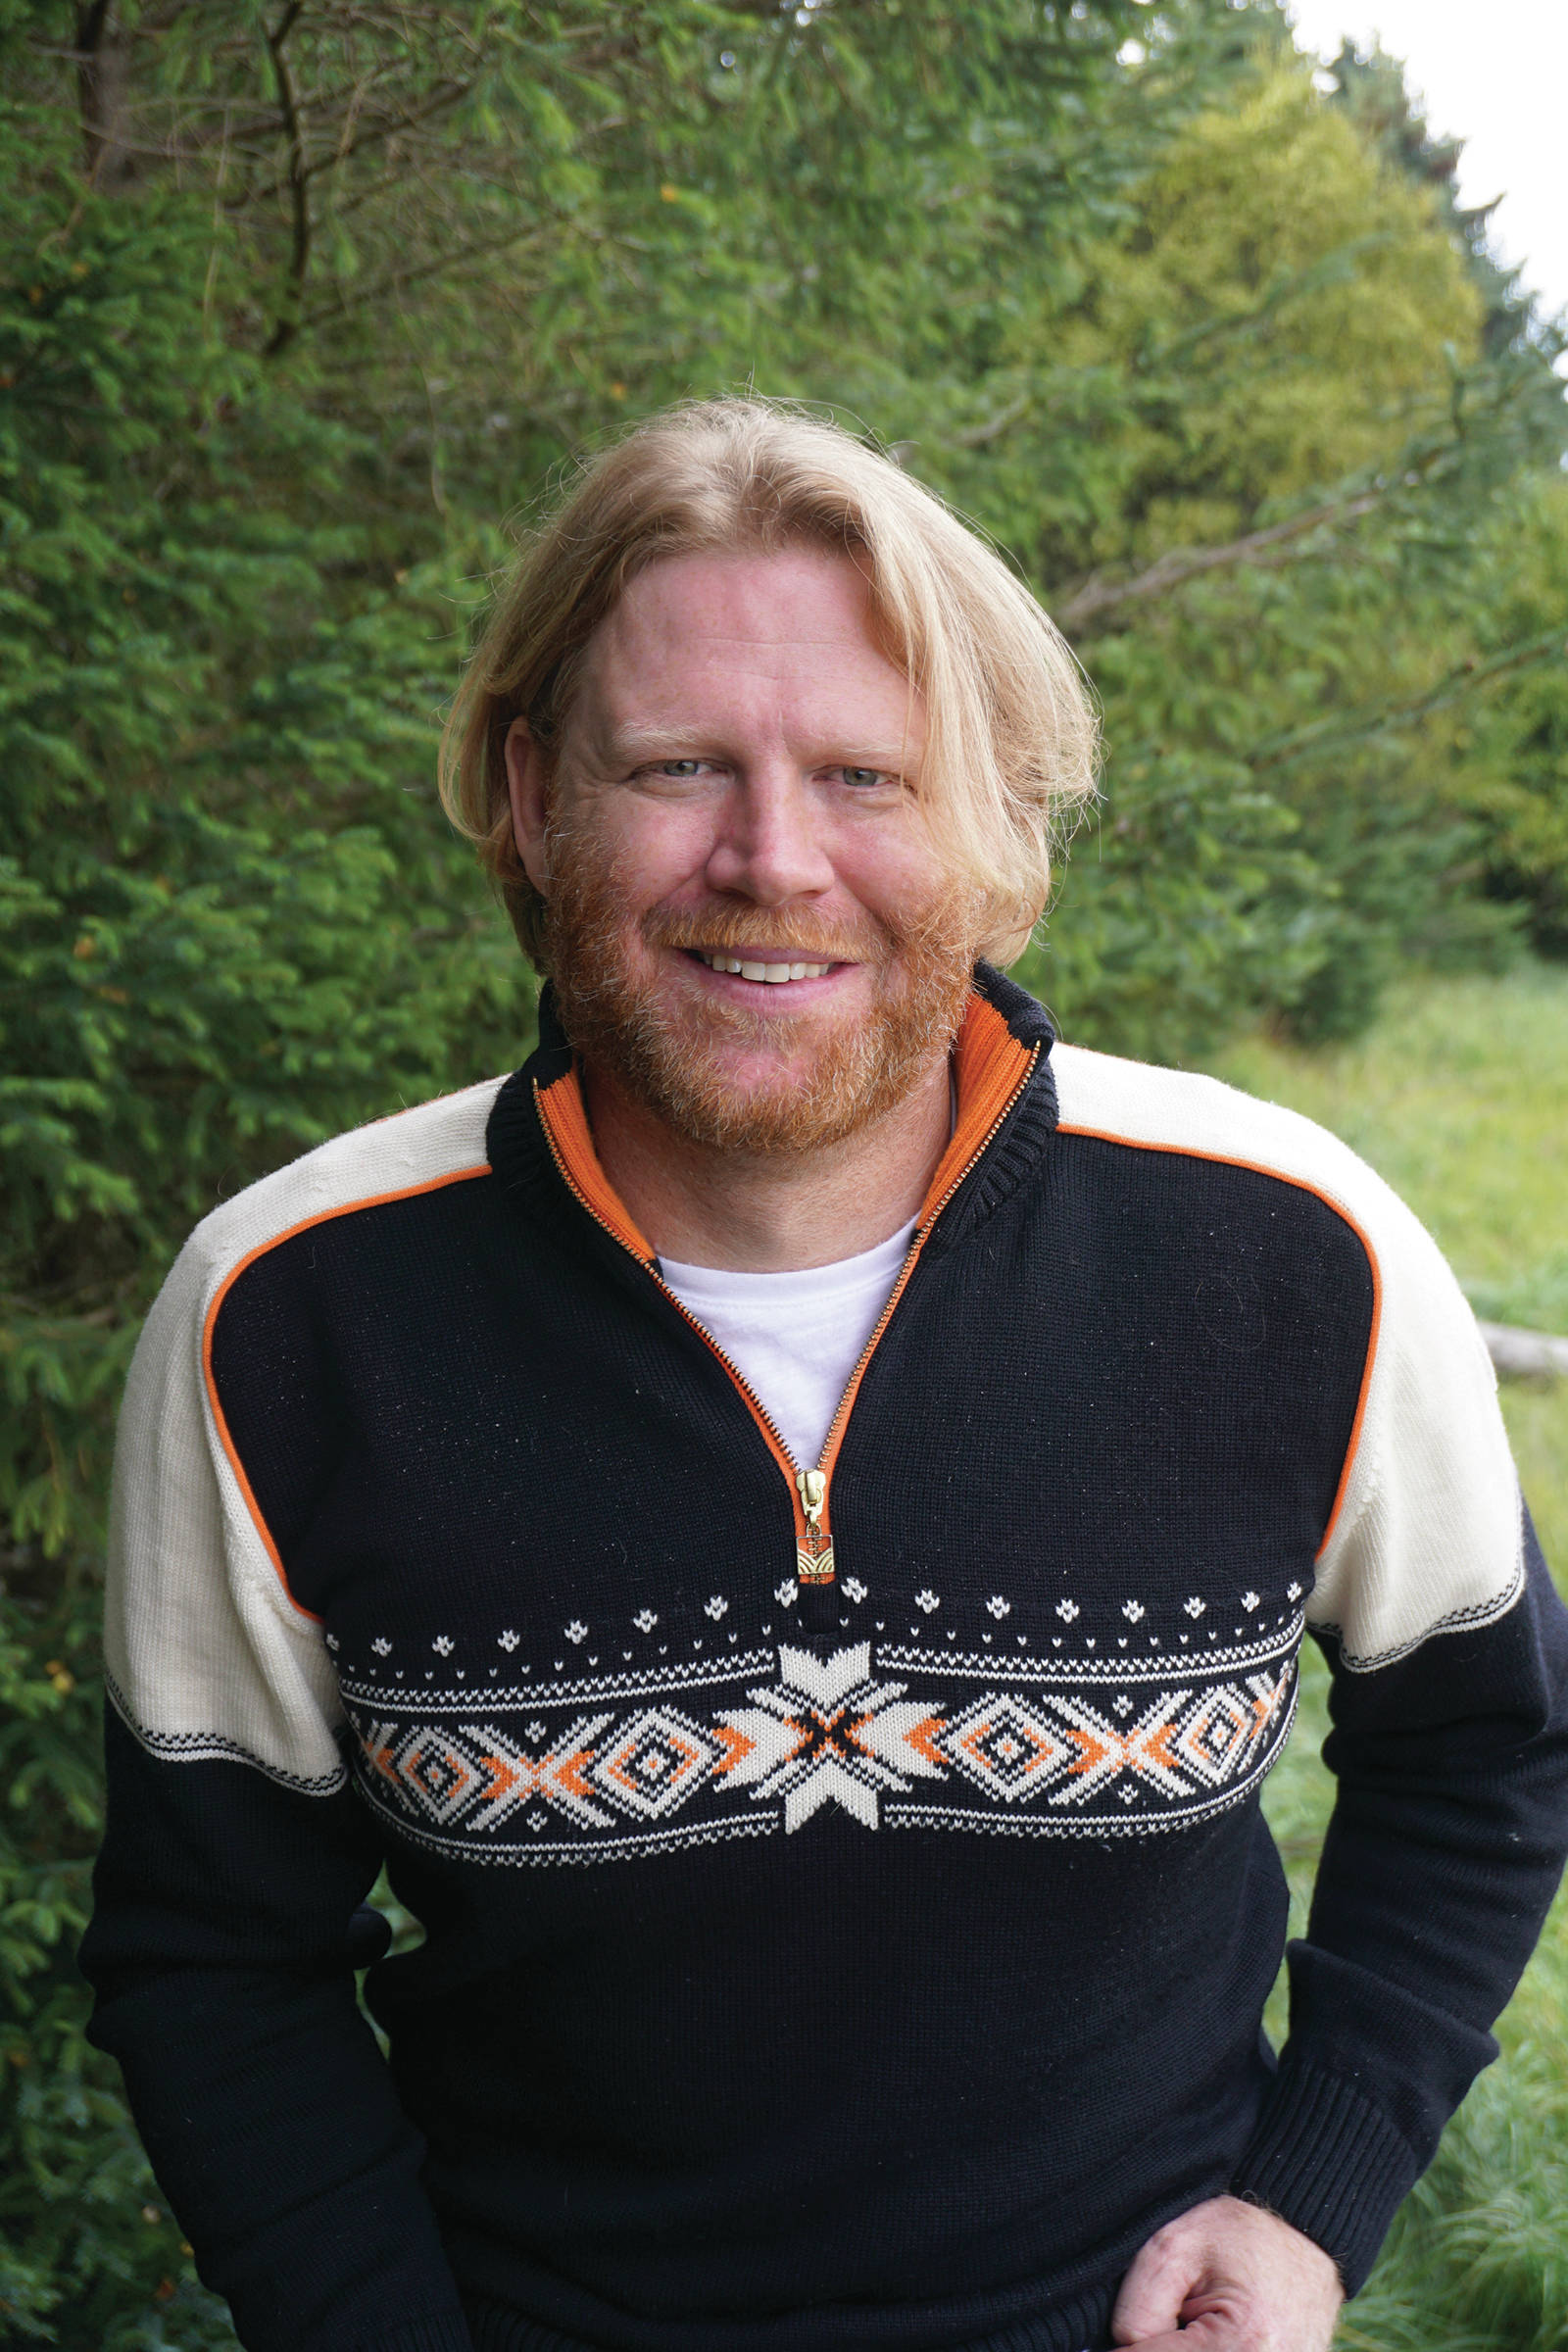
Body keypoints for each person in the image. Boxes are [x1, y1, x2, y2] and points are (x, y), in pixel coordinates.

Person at [82, 399, 1568, 2352]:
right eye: (678, 764)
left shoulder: (1291, 1252)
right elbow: (211, 1958)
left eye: (867, 774)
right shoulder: (284, 1315)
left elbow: (1483, 1748)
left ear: (995, 822)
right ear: (533, 801)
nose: (770, 860)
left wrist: (1309, 2199)